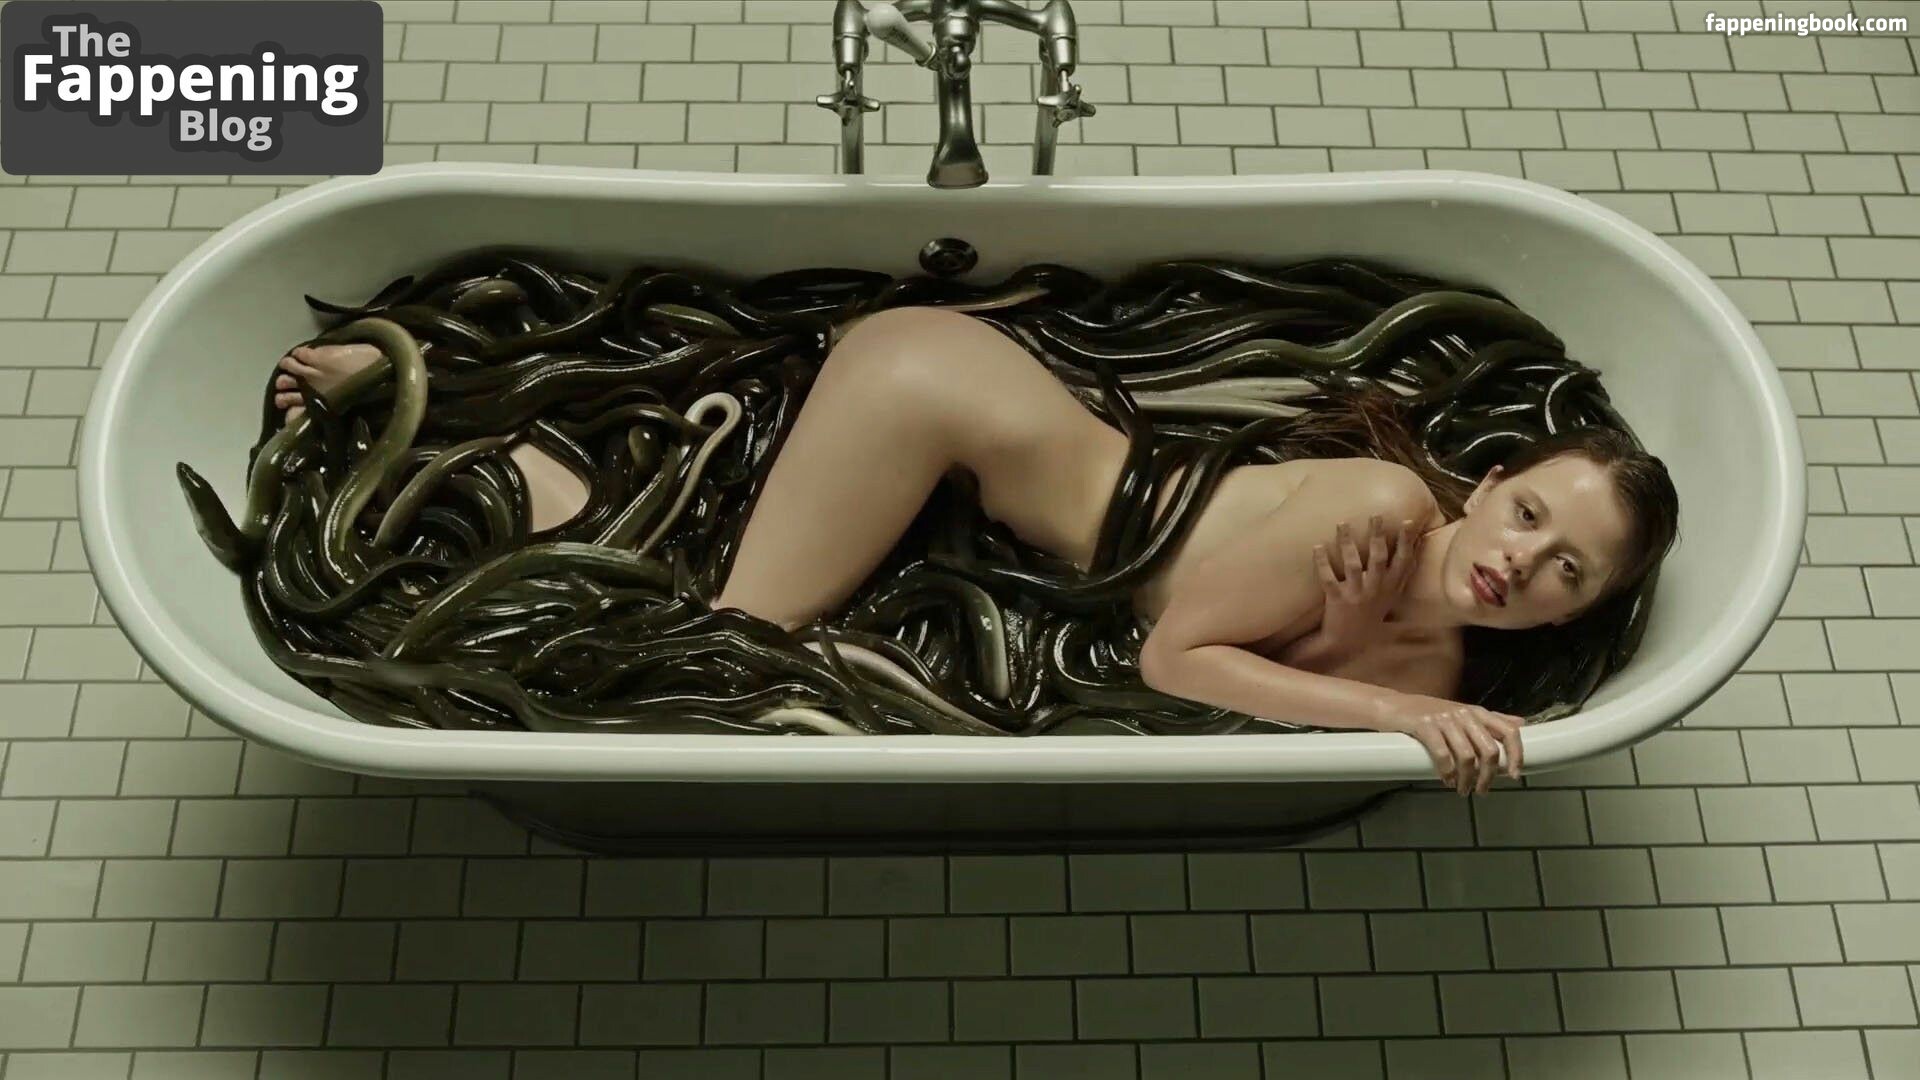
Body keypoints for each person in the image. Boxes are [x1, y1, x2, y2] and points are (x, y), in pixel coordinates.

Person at [272, 304, 1679, 794]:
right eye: (1530, 515)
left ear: (1578, 613)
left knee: (695, 527)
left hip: (969, 462)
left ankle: (450, 414)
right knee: (721, 642)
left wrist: (1362, 660)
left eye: (1571, 570)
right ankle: (417, 399)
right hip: (937, 398)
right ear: (1489, 488)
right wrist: (1378, 700)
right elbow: (1178, 657)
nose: (1525, 561)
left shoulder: (1435, 662)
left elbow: (1265, 682)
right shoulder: (1374, 513)